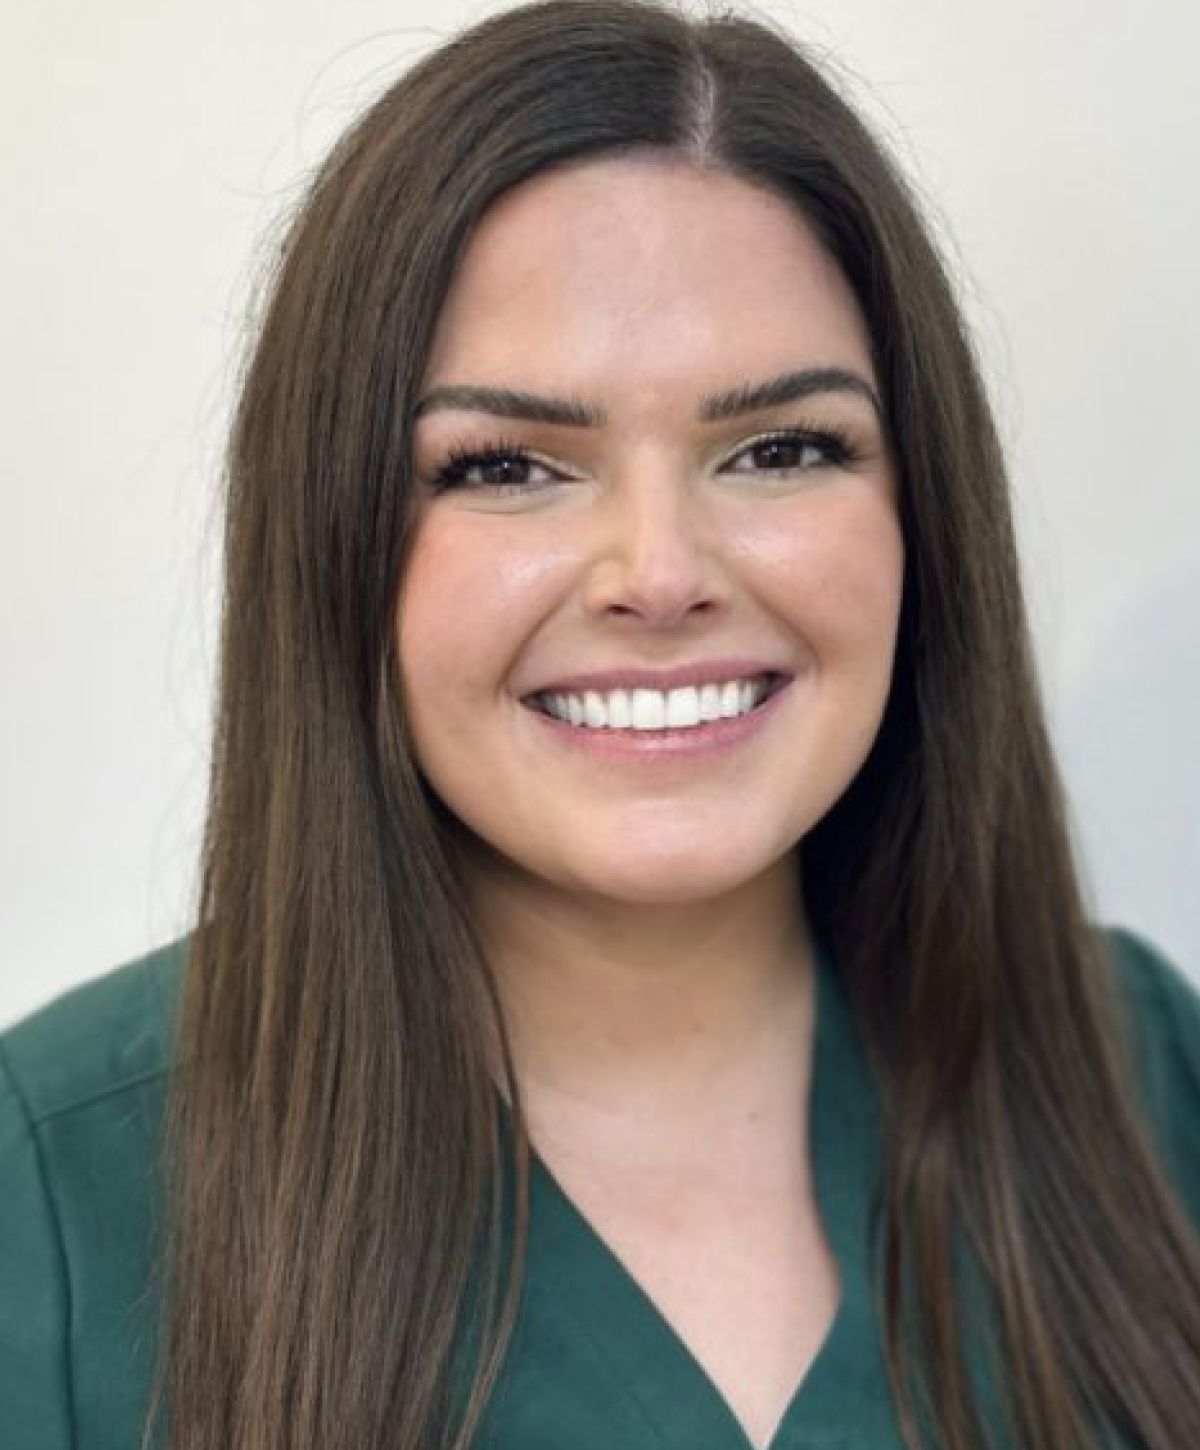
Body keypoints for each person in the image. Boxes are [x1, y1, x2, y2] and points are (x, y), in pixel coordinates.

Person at [2, 1, 1199, 1447]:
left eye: (780, 448)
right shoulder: (45, 1195)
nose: (661, 573)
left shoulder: (1147, 1071)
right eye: (507, 466)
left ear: (919, 511)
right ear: (336, 543)